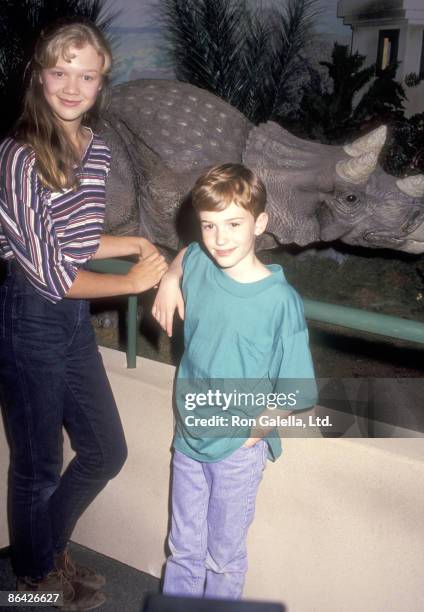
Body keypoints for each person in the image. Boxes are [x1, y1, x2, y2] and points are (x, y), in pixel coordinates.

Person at [0, 19, 167, 610]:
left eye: (86, 75)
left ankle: (44, 548)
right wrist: (133, 287)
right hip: (31, 316)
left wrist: (134, 246)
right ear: (39, 75)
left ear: (102, 81)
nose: (72, 87)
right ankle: (32, 582)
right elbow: (49, 270)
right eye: (59, 71)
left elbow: (77, 237)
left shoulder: (92, 147)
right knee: (39, 464)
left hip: (69, 323)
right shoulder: (19, 155)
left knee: (104, 451)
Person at [152, 163, 317, 599]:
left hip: (237, 452)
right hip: (188, 438)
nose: (220, 238)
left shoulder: (279, 302)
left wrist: (254, 432)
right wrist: (170, 278)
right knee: (183, 549)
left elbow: (300, 389)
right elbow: (188, 252)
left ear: (259, 223)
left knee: (222, 559)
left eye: (233, 224)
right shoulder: (202, 262)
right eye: (209, 225)